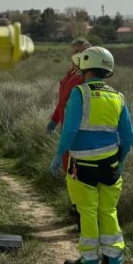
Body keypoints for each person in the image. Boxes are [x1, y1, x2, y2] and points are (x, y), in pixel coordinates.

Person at [49, 46, 133, 264]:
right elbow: (129, 137)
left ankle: (89, 262)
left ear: (86, 68)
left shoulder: (80, 93)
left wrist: (59, 155)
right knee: (108, 210)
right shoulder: (118, 97)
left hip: (82, 167)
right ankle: (114, 260)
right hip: (110, 166)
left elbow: (69, 131)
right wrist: (121, 161)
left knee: (87, 211)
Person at [48, 38, 92, 228]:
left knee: (78, 174)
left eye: (81, 52)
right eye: (75, 51)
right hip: (67, 126)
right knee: (70, 172)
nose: (77, 55)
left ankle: (82, 216)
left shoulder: (86, 77)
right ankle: (77, 210)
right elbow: (62, 101)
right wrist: (54, 119)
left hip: (79, 131)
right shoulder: (72, 72)